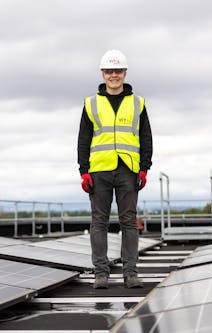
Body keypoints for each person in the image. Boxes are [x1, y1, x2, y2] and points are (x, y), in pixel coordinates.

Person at [77, 49, 153, 289]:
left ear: (125, 72)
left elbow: (146, 137)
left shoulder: (138, 103)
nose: (113, 75)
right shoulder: (91, 103)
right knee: (98, 222)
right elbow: (83, 138)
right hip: (99, 171)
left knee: (128, 222)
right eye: (109, 71)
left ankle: (131, 274)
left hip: (128, 171)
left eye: (118, 71)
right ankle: (101, 273)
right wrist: (84, 171)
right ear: (102, 74)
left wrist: (144, 168)